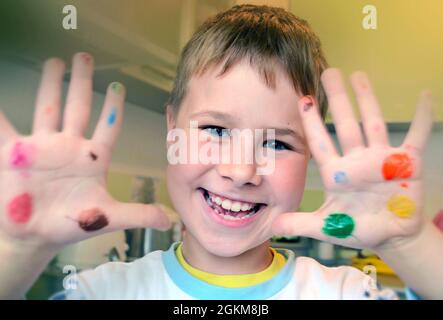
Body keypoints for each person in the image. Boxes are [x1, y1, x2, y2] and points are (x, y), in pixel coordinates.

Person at [1, 4, 442, 300]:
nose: (241, 170)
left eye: (276, 142)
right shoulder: (101, 292)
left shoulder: (346, 292)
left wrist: (409, 241)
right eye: (214, 128)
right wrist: (19, 250)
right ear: (172, 128)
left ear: (311, 156)